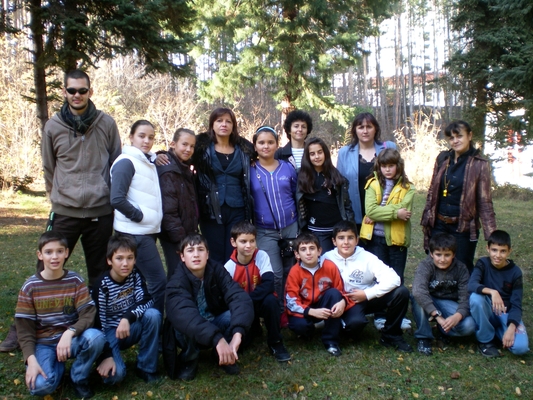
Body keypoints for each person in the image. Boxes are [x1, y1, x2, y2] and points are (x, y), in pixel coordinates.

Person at [15, 231, 105, 399]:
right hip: (44, 343)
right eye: (49, 252)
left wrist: (70, 332)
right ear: (40, 255)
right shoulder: (30, 287)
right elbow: (24, 330)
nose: (54, 257)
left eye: (59, 251)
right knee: (39, 387)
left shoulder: (75, 281)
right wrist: (30, 360)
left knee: (96, 338)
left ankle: (78, 377)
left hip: (70, 340)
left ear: (66, 253)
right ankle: (57, 366)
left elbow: (88, 313)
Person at [166, 234, 254, 380]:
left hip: (213, 321)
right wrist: (217, 339)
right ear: (182, 257)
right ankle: (190, 359)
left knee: (233, 315)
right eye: (190, 251)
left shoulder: (216, 269)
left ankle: (222, 354)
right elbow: (186, 316)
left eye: (200, 249)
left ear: (207, 254)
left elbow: (239, 297)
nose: (196, 255)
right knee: (183, 324)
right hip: (190, 331)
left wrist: (238, 332)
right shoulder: (176, 281)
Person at [323, 220, 413, 352]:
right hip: (340, 301)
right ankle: (340, 325)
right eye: (341, 238)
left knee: (401, 292)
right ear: (334, 241)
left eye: (350, 238)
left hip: (365, 298)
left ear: (357, 240)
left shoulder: (367, 257)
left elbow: (394, 279)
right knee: (354, 326)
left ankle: (391, 335)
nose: (346, 242)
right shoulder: (326, 258)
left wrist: (367, 294)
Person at [421, 120, 497, 273]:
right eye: (451, 138)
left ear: (469, 136)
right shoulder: (443, 159)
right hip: (439, 224)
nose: (455, 141)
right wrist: (427, 218)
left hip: (463, 227)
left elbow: (485, 202)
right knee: (436, 264)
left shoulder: (479, 164)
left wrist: (492, 235)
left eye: (459, 136)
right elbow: (432, 191)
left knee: (462, 268)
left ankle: (463, 290)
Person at [110, 120, 165, 313]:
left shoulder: (146, 162)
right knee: (159, 281)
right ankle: (156, 324)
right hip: (134, 233)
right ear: (131, 137)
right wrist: (139, 216)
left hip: (146, 231)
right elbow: (116, 198)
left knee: (139, 282)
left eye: (151, 137)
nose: (147, 141)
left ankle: (139, 320)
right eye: (141, 136)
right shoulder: (126, 162)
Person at [92, 234, 161, 384]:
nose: (125, 263)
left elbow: (147, 300)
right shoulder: (102, 286)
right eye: (119, 258)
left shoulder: (135, 274)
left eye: (130, 258)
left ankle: (146, 367)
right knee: (116, 376)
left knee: (153, 315)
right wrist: (106, 354)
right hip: (109, 333)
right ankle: (103, 359)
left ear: (135, 260)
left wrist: (127, 318)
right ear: (109, 260)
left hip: (130, 327)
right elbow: (98, 324)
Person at [192, 108, 254, 263]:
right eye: (219, 121)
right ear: (212, 124)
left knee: (234, 252)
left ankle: (232, 279)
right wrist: (160, 156)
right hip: (210, 209)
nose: (224, 124)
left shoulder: (245, 150)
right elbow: (180, 155)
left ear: (233, 125)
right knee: (214, 253)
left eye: (228, 121)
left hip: (238, 208)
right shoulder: (200, 148)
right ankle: (215, 279)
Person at [224, 221, 291, 362]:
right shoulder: (228, 267)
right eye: (243, 241)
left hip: (259, 301)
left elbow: (269, 284)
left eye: (252, 241)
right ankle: (253, 327)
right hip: (241, 308)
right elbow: (228, 296)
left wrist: (248, 300)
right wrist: (244, 304)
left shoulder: (261, 256)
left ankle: (276, 342)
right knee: (244, 343)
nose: (248, 245)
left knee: (271, 300)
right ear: (233, 242)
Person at [250, 126, 298, 315]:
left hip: (290, 227)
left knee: (291, 269)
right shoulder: (250, 170)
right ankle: (278, 310)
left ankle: (292, 305)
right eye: (261, 142)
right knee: (275, 273)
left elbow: (295, 193)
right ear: (255, 145)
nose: (266, 146)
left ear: (277, 144)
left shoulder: (288, 167)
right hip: (265, 230)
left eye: (270, 142)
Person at [285, 232, 348, 356]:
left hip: (324, 307)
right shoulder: (294, 271)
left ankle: (331, 341)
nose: (308, 253)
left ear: (319, 251)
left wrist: (343, 302)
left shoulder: (329, 266)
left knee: (334, 293)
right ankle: (314, 328)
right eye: (303, 249)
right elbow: (291, 301)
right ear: (297, 254)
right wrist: (310, 311)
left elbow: (341, 290)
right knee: (299, 327)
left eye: (312, 248)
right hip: (305, 310)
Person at [412, 233, 476, 356]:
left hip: (447, 302)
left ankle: (444, 331)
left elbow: (465, 297)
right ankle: (424, 337)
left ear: (454, 254)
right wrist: (437, 316)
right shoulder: (426, 265)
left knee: (470, 325)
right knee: (417, 298)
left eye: (447, 255)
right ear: (431, 254)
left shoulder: (461, 268)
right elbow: (418, 290)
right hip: (428, 300)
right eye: (438, 254)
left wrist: (457, 316)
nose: (442, 259)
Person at [468, 230, 529, 357]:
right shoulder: (483, 263)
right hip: (487, 311)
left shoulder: (515, 272)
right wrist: (493, 292)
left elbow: (516, 304)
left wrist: (511, 328)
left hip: (505, 313)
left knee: (520, 348)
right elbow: (472, 285)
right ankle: (486, 340)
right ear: (488, 249)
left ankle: (498, 332)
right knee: (475, 298)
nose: (498, 255)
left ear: (509, 251)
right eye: (494, 250)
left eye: (503, 251)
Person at [336, 112, 396, 228]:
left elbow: (399, 179)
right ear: (355, 130)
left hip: (385, 214)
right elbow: (340, 187)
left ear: (375, 129)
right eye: (361, 127)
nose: (365, 131)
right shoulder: (344, 153)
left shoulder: (389, 148)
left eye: (369, 127)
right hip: (355, 216)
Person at [297, 137, 354, 254]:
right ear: (307, 156)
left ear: (325, 153)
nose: (317, 156)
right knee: (324, 261)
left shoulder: (335, 175)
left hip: (338, 230)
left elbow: (346, 205)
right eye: (312, 154)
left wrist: (350, 227)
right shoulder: (301, 176)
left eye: (320, 152)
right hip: (317, 230)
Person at [157, 128, 198, 278]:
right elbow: (169, 211)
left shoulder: (182, 166)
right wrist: (181, 241)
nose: (188, 149)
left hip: (185, 231)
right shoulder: (168, 170)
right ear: (173, 144)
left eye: (192, 146)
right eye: (184, 144)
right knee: (177, 274)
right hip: (174, 236)